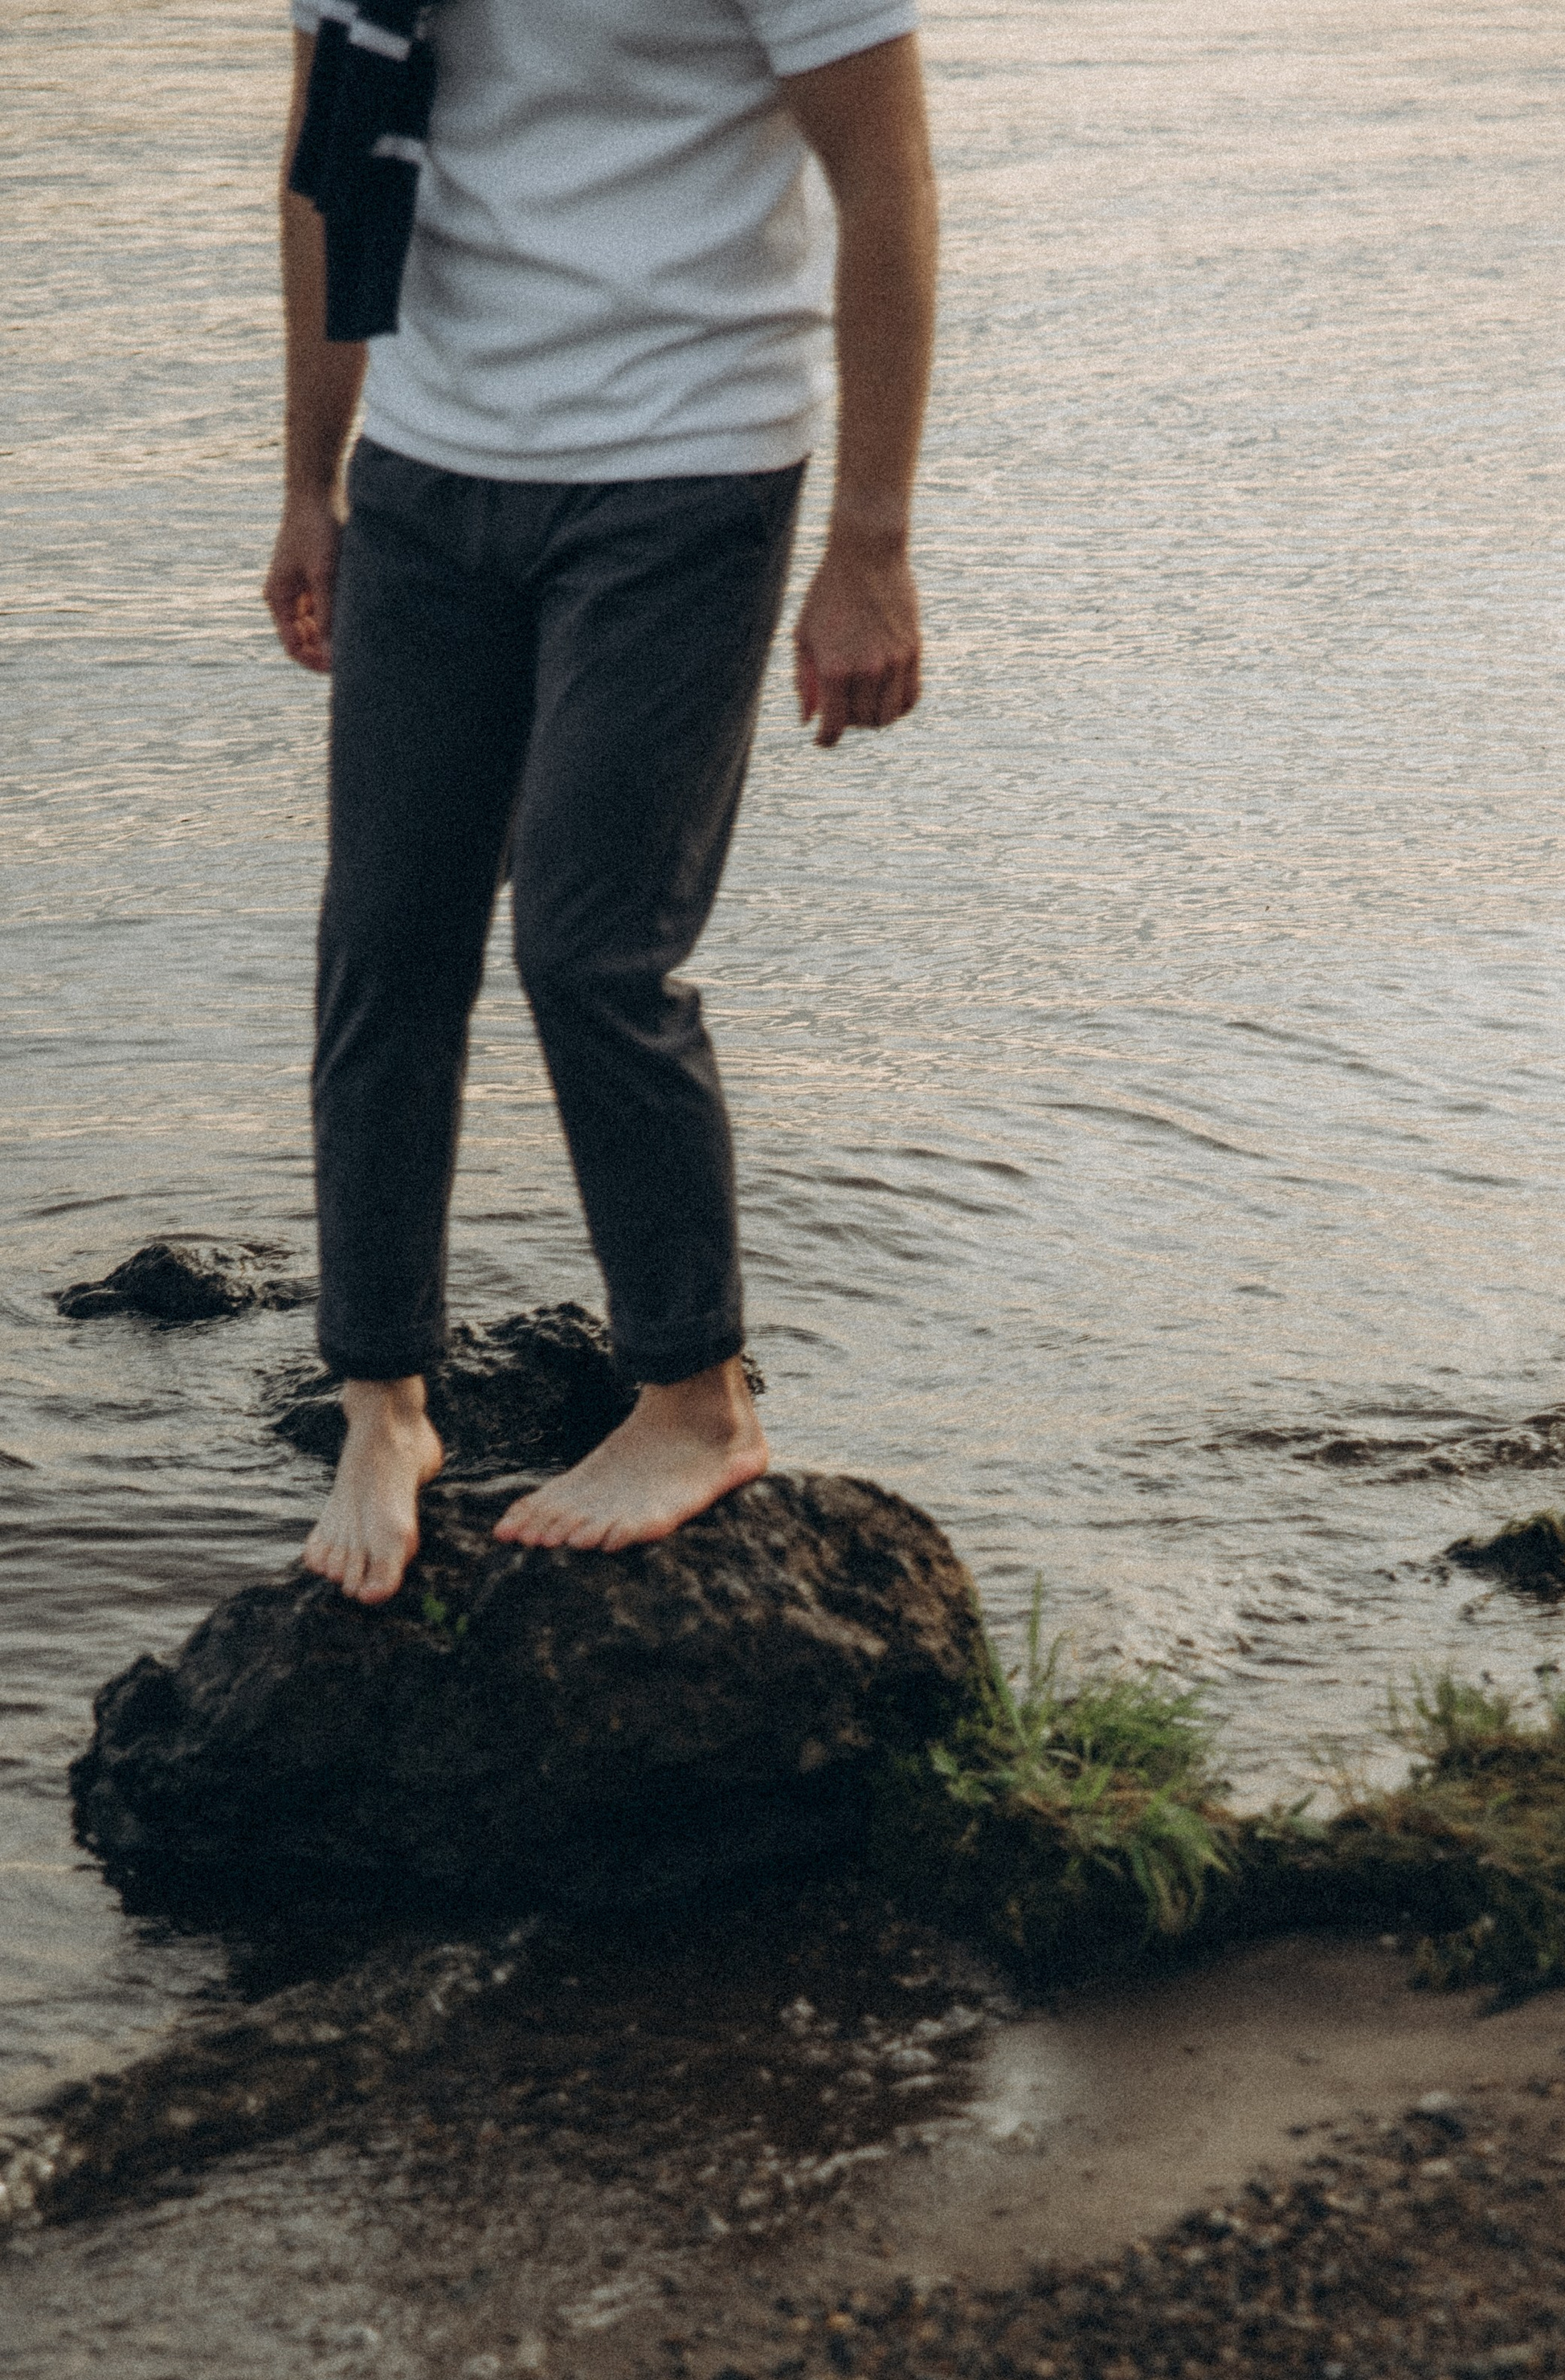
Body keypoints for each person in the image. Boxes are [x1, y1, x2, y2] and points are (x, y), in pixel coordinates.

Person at [264, 0, 938, 1604]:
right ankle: (382, 1399)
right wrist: (312, 473)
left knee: (592, 943)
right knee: (383, 939)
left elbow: (887, 185)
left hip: (687, 458)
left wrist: (870, 546)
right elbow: (326, 171)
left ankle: (695, 1396)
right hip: (430, 463)